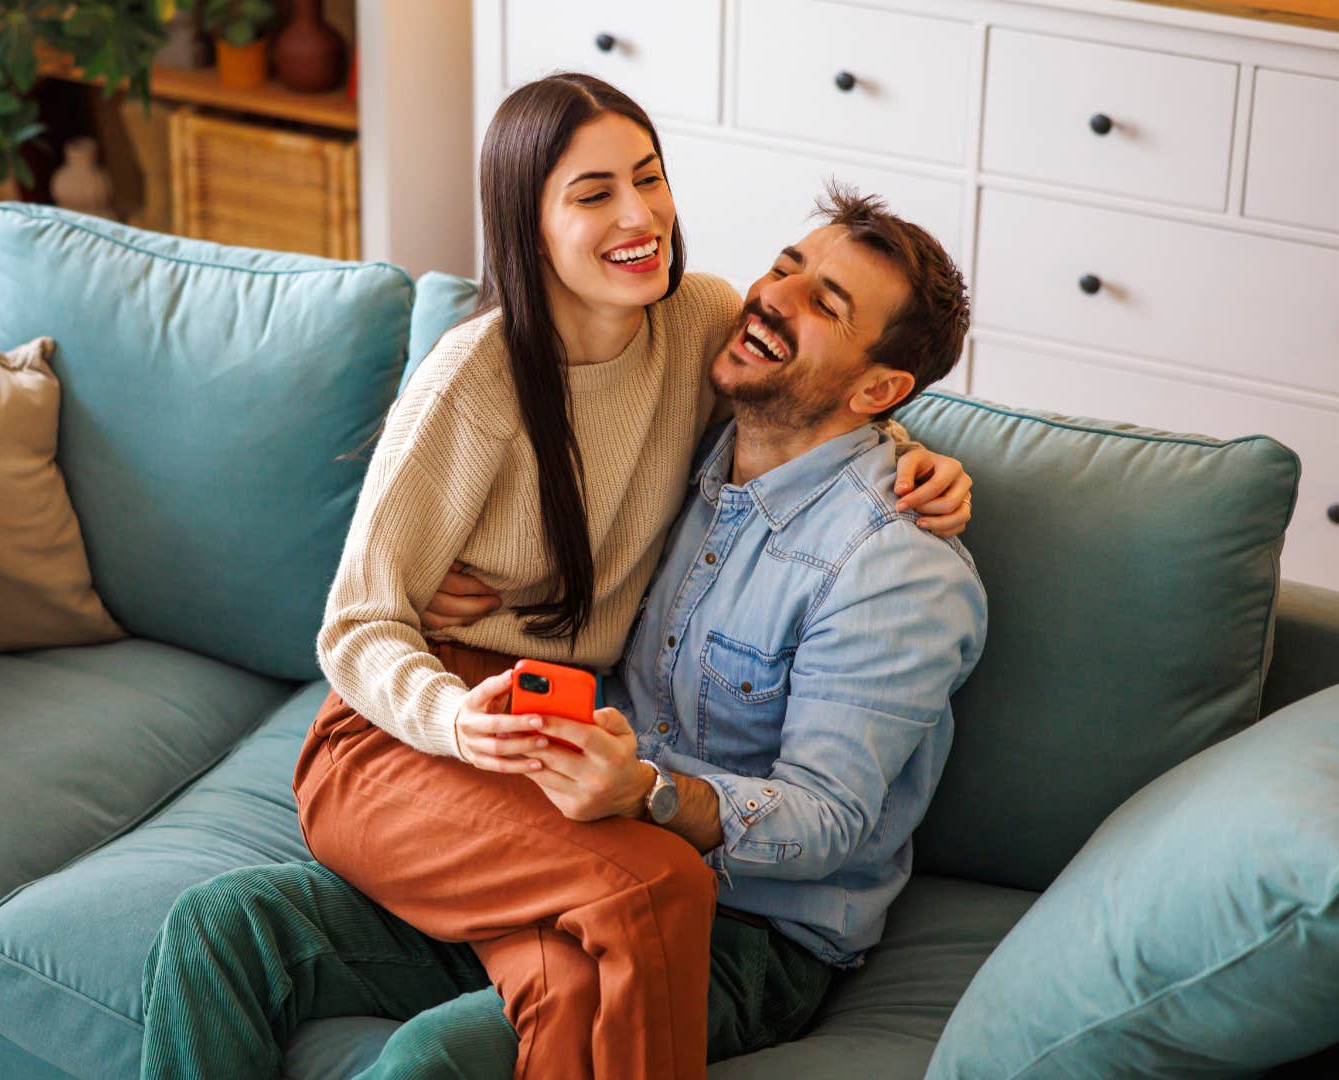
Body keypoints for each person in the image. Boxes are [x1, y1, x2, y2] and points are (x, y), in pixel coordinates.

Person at [139, 73, 977, 1080]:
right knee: (219, 927)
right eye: (787, 266)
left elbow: (828, 816)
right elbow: (364, 614)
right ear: (528, 226)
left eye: (650, 179)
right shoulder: (667, 404)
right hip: (549, 801)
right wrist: (471, 704)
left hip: (739, 913)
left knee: (439, 1057)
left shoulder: (882, 550)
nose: (771, 295)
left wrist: (912, 446)